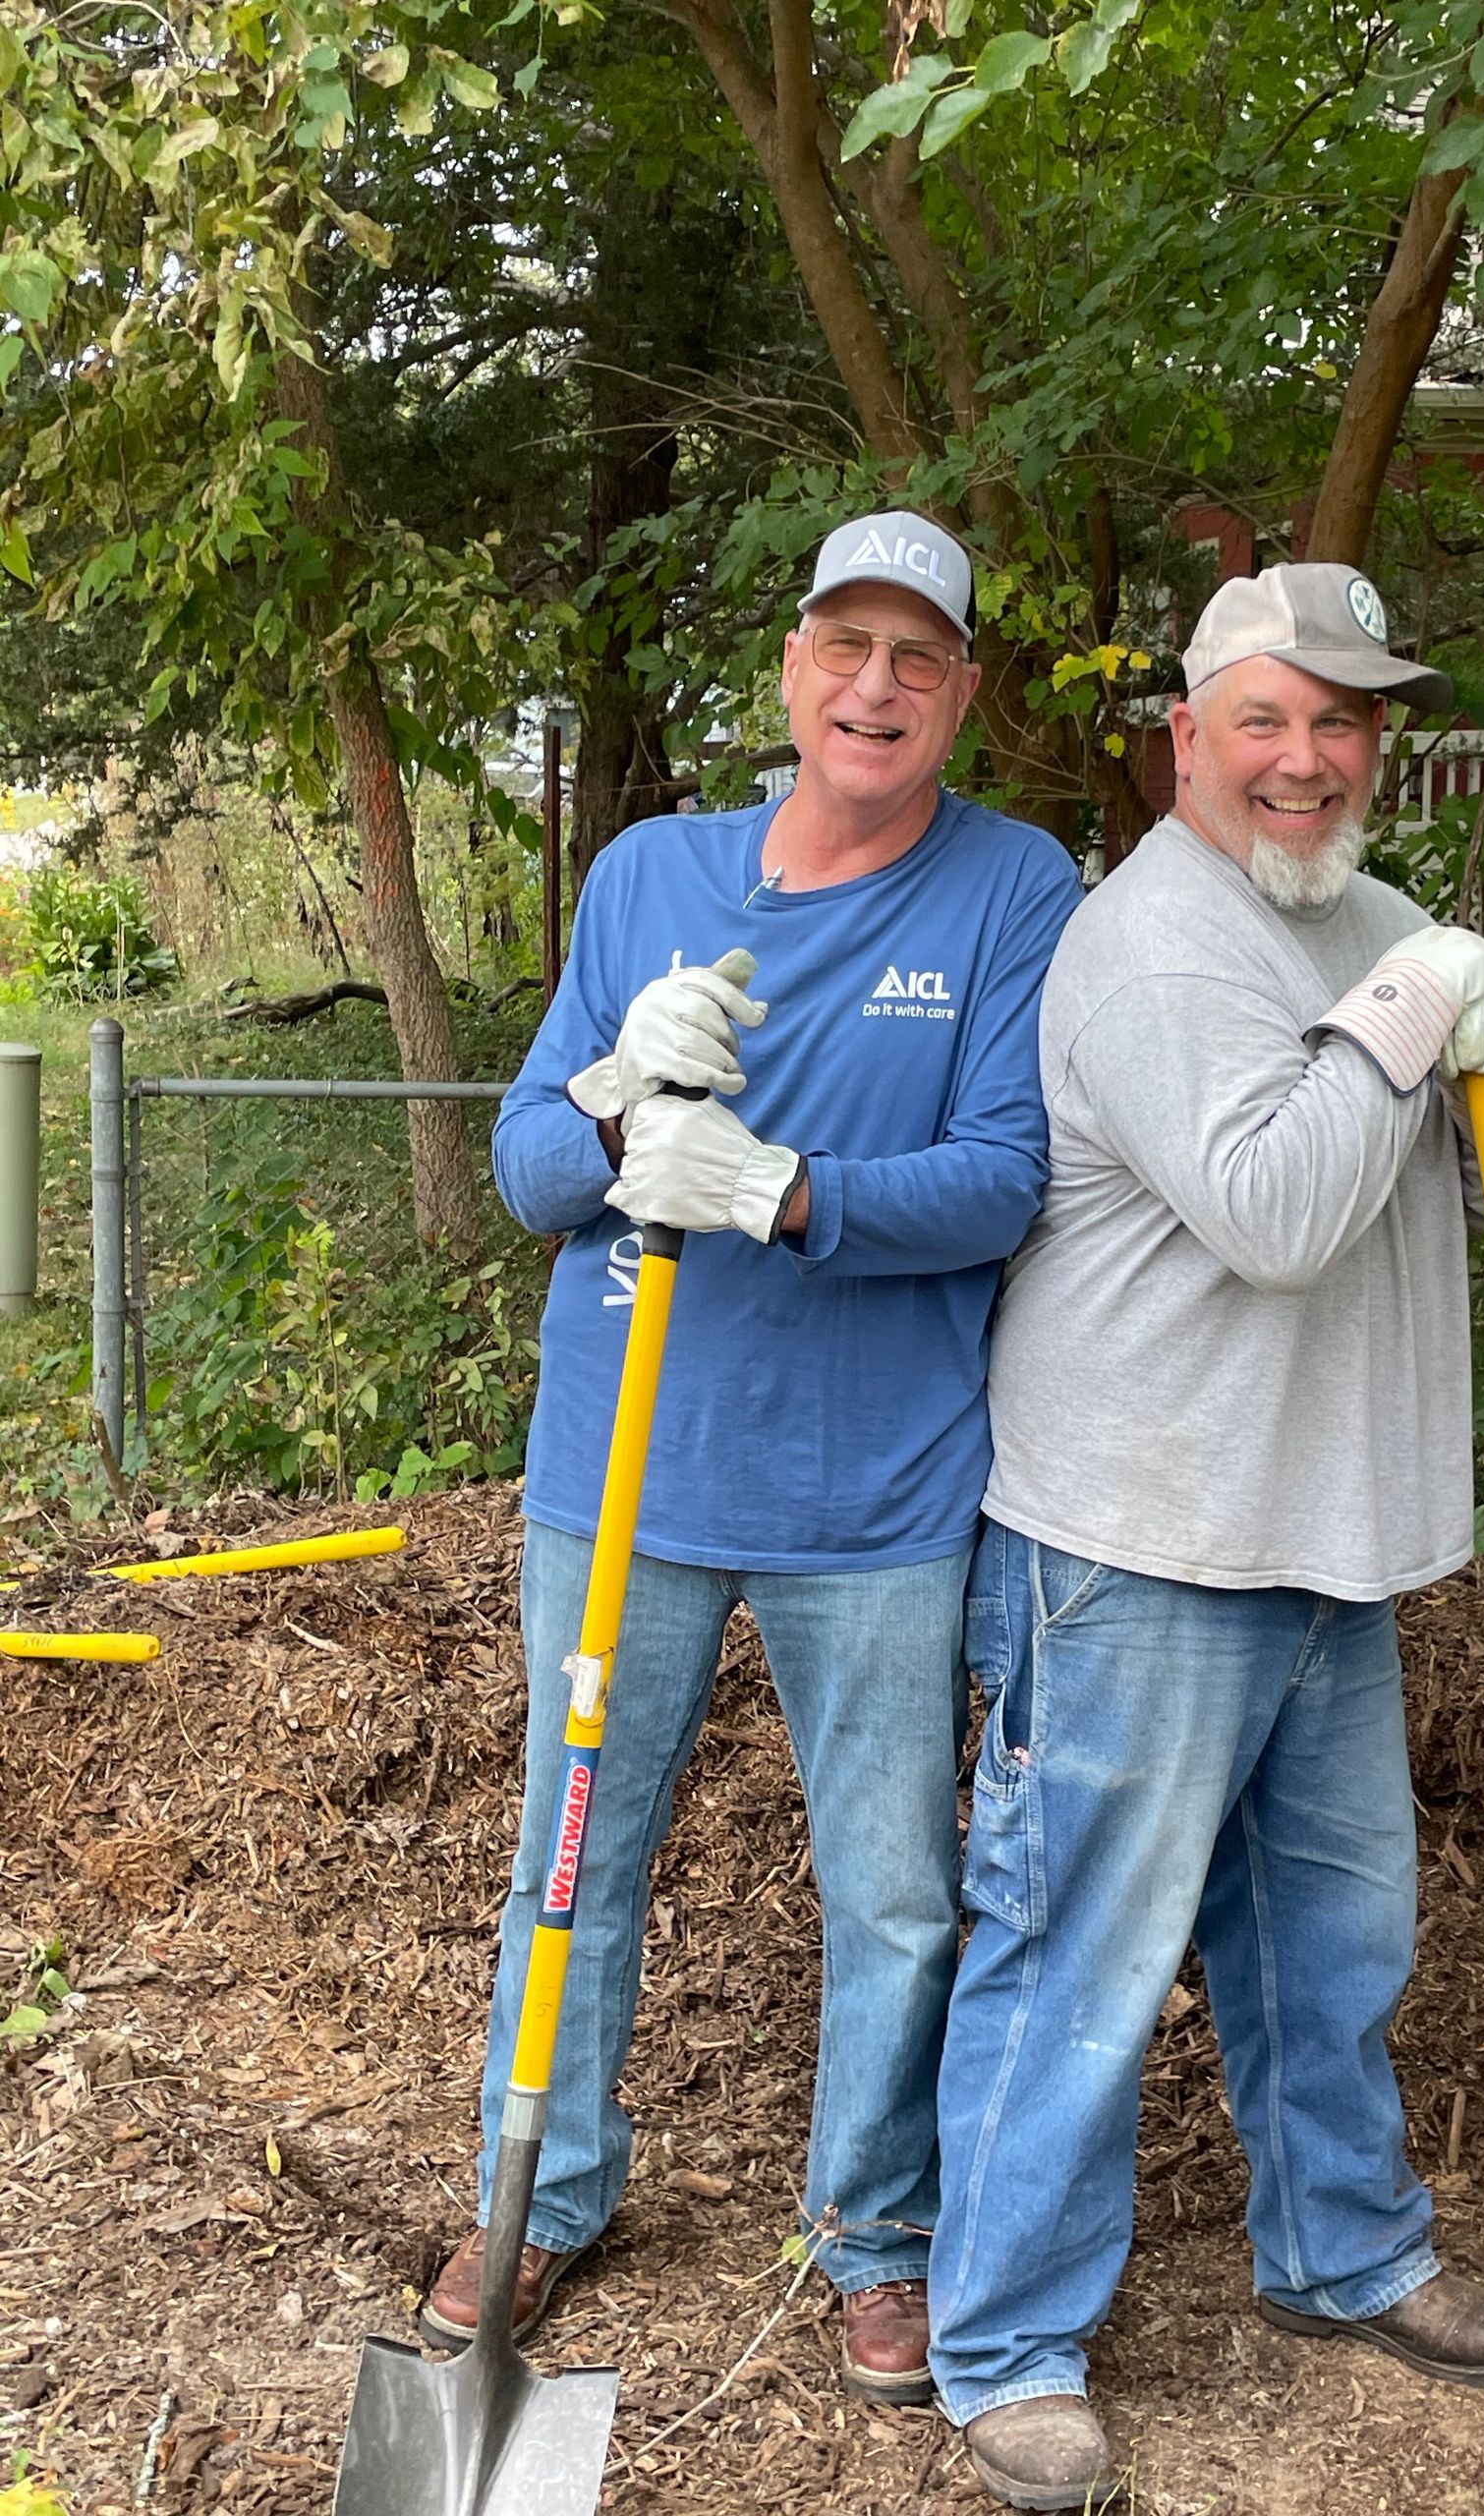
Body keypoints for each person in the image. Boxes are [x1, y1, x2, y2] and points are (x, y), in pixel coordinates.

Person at [925, 563, 1484, 2509]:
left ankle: (1343, 2250)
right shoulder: (1154, 943)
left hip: (1328, 1532)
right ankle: (1009, 2337)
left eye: (1345, 719)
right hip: (1135, 1537)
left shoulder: (1383, 920)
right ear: (1190, 734)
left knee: (1333, 1936)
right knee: (1080, 1953)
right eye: (1269, 718)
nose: (1311, 758)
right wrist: (1405, 1006)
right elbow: (1280, 1213)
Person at [421, 510, 1082, 2408]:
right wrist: (617, 1092)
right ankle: (537, 2201)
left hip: (875, 1496)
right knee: (573, 1861)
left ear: (960, 693)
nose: (875, 687)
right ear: (791, 669)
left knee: (892, 1889)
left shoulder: (1011, 890)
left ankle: (873, 2238)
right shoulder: (650, 875)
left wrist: (788, 1189)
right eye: (843, 647)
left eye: (919, 659)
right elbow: (530, 1171)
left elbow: (1007, 1180)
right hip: (620, 1481)